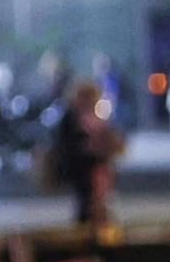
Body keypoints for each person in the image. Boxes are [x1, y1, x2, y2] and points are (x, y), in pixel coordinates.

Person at [45, 78, 120, 232]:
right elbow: (69, 147)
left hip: (94, 168)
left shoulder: (91, 117)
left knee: (95, 203)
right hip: (82, 169)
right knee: (87, 203)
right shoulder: (71, 118)